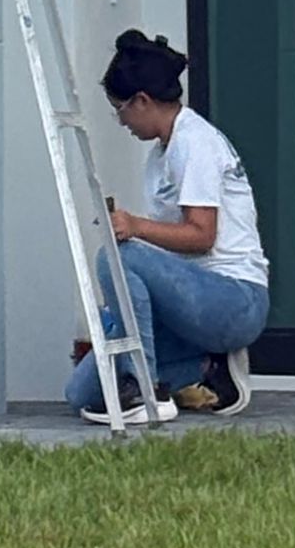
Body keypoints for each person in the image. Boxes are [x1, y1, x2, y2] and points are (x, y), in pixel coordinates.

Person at [64, 28, 270, 425]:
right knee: (82, 394)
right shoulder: (161, 154)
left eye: (119, 108)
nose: (121, 121)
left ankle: (142, 389)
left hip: (233, 297)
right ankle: (207, 368)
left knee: (115, 257)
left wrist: (134, 227)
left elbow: (201, 235)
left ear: (142, 100)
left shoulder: (195, 143)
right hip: (194, 300)